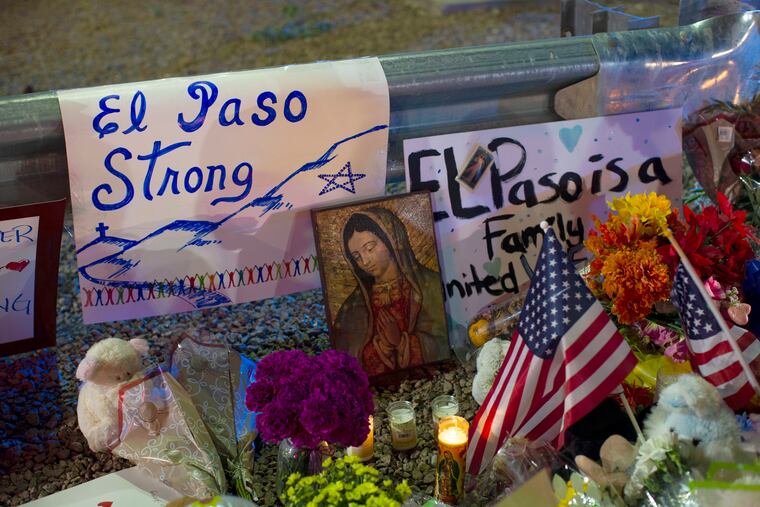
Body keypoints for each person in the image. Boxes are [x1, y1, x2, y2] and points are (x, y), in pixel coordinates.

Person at [333, 207, 448, 377]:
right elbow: (345, 362)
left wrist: (402, 342)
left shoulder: (430, 285)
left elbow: (444, 341)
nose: (364, 261)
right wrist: (383, 346)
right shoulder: (352, 308)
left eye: (370, 248)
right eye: (357, 257)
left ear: (391, 241)